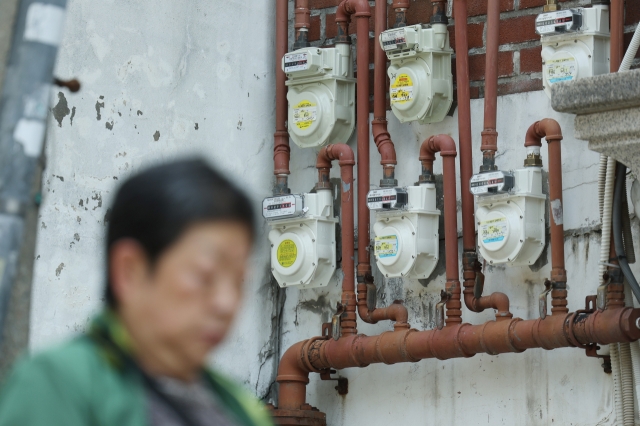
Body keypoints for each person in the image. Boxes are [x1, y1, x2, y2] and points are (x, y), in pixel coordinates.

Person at [0, 159, 274, 426]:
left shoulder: (239, 407)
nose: (226, 304)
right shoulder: (58, 385)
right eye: (204, 277)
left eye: (239, 281)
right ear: (130, 272)